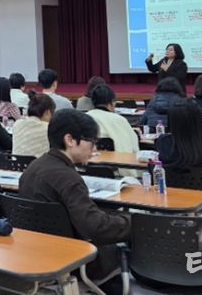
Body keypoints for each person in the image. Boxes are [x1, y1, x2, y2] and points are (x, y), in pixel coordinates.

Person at [19, 110, 131, 285]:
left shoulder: (32, 167)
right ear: (70, 140)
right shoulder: (69, 178)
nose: (94, 150)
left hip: (38, 253)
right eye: (92, 143)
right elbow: (96, 228)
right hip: (74, 260)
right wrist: (134, 222)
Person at [87, 84, 139, 153]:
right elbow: (134, 147)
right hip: (120, 159)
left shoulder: (84, 118)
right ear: (111, 102)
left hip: (89, 159)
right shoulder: (120, 120)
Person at [12, 92, 55, 158]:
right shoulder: (49, 128)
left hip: (15, 164)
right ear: (47, 112)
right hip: (40, 164)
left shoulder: (17, 124)